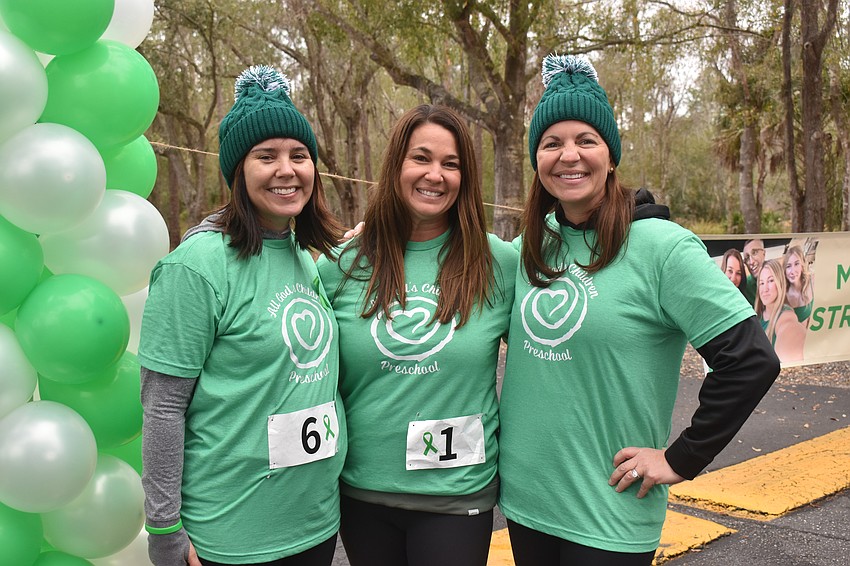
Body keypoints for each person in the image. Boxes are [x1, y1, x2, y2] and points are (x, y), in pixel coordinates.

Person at [497, 54, 780, 565]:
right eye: (551, 143)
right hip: (526, 504)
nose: (569, 156)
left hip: (609, 512)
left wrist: (680, 458)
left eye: (586, 140)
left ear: (611, 155)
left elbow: (751, 361)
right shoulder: (532, 246)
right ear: (536, 160)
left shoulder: (662, 247)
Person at [138, 66, 347, 566]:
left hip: (315, 524)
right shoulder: (196, 266)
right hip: (232, 535)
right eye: (265, 156)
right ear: (237, 171)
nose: (286, 169)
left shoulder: (300, 252)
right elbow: (163, 409)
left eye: (299, 155)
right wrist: (165, 530)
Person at [317, 104, 517, 566]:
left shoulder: (497, 262)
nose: (435, 175)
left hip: (456, 495)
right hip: (363, 492)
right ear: (396, 167)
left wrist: (624, 213)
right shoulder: (341, 265)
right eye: (421, 158)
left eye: (451, 164)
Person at [756, 258, 806, 362]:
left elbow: (789, 326)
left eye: (770, 281)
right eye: (761, 283)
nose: (765, 289)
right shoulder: (757, 315)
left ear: (780, 283)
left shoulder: (785, 315)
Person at [783, 245, 814, 325]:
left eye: (796, 264)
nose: (792, 271)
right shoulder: (783, 294)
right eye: (788, 266)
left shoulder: (812, 282)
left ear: (802, 266)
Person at [742, 238, 766, 305]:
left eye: (754, 253)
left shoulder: (780, 278)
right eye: (747, 258)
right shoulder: (745, 288)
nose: (751, 262)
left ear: (764, 253)